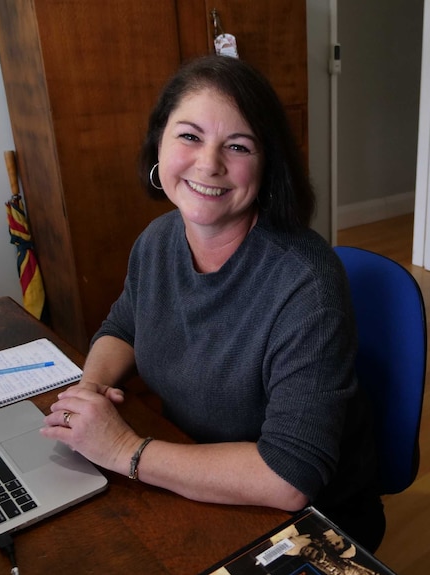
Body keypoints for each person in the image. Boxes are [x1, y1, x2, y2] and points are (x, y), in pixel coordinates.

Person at [40, 54, 385, 551]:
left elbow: (290, 479)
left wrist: (122, 448)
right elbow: (122, 328)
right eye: (189, 136)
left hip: (309, 521)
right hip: (194, 472)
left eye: (238, 145)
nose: (209, 163)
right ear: (159, 141)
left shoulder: (306, 284)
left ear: (267, 165)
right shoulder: (158, 240)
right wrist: (90, 393)